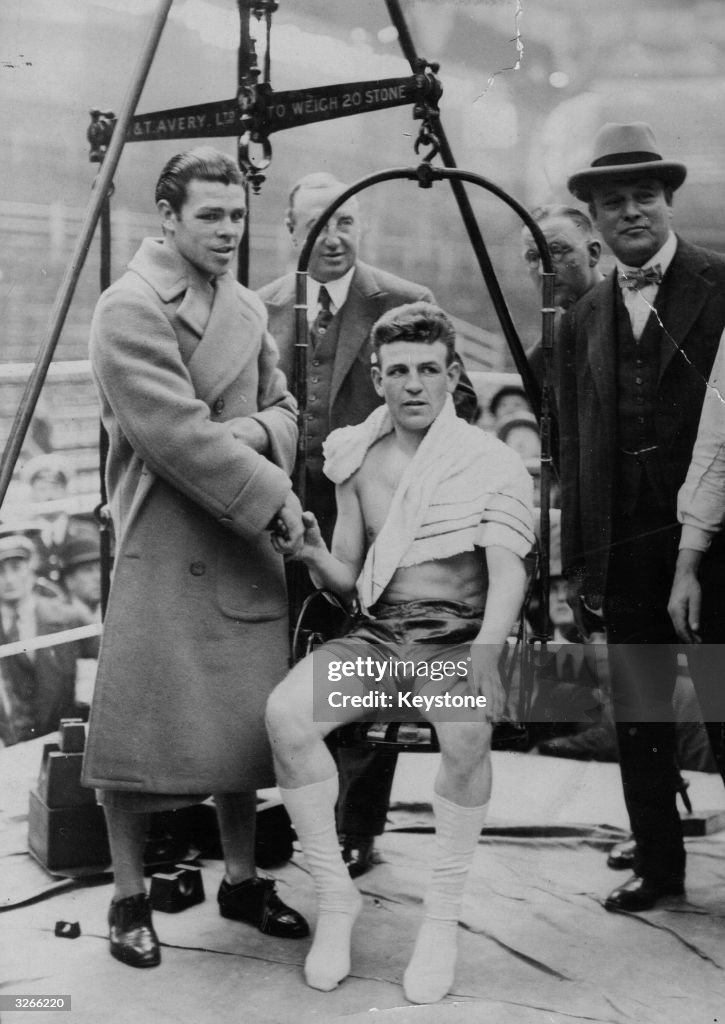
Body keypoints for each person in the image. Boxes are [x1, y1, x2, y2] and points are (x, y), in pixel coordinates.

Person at [266, 302, 534, 1002]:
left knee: (466, 731)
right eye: (397, 372)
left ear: (450, 375)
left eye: (426, 369)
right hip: (382, 635)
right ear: (379, 379)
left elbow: (509, 573)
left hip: (457, 638)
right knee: (287, 717)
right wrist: (312, 553)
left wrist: (484, 655)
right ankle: (335, 899)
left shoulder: (491, 461)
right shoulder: (356, 458)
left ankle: (439, 920)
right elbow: (352, 577)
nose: (412, 384)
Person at [80, 146, 309, 969]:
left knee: (243, 732)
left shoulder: (245, 305)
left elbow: (285, 409)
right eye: (209, 214)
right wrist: (273, 491)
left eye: (236, 215)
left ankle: (242, 882)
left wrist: (249, 432)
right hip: (167, 544)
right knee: (135, 740)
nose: (226, 229)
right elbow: (173, 435)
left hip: (236, 543)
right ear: (167, 216)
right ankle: (127, 898)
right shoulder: (127, 307)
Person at [259, 171, 477, 878]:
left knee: (370, 673)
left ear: (362, 227)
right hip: (279, 526)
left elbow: (458, 406)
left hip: (380, 528)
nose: (333, 237)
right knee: (293, 677)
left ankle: (358, 828)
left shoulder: (405, 302)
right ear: (292, 231)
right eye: (317, 224)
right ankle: (296, 817)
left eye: (345, 222)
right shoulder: (259, 309)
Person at [558, 121, 725, 912]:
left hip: (713, 546)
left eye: (644, 197)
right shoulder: (584, 315)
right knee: (640, 716)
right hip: (623, 550)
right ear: (593, 218)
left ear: (667, 202)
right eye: (613, 201)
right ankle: (658, 869)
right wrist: (577, 567)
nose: (630, 212)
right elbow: (573, 449)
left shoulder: (720, 286)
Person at [0, 530, 95, 747]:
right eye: (0, 571)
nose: (9, 579)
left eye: (16, 568)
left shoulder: (69, 618)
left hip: (61, 740)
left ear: (31, 570)